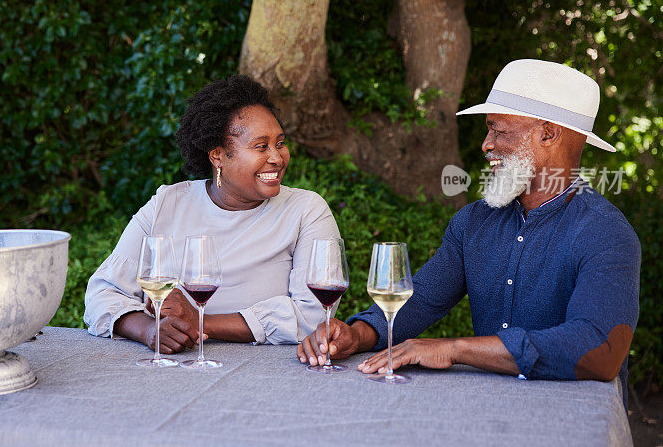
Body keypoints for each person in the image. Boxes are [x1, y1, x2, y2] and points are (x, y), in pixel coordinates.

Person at [297, 59, 641, 408]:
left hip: (571, 421)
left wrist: (454, 348)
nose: (486, 145)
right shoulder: (473, 222)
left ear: (548, 133)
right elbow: (421, 298)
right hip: (487, 410)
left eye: (498, 130)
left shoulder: (605, 232)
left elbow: (599, 349)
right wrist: (357, 334)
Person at [84, 74, 340, 353]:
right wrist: (149, 331)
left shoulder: (307, 211)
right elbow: (102, 294)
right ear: (217, 155)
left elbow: (314, 316)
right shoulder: (167, 204)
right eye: (260, 146)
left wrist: (200, 322)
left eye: (280, 143)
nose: (277, 158)